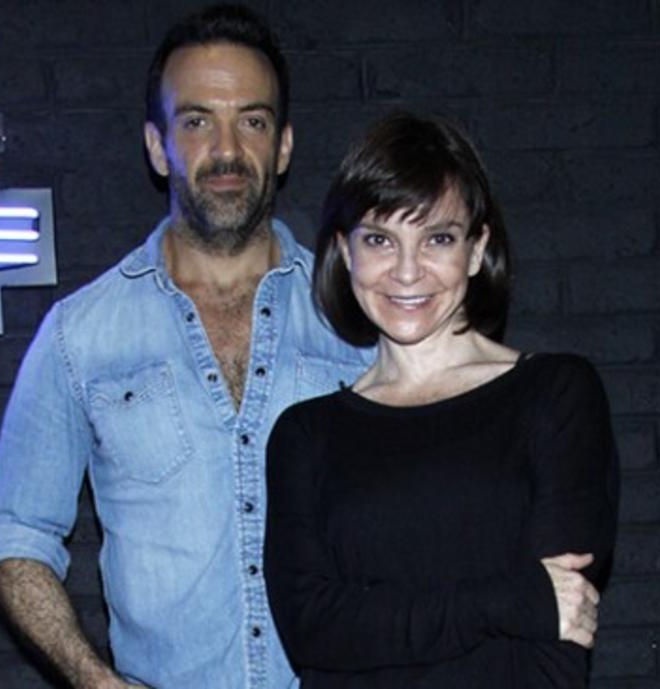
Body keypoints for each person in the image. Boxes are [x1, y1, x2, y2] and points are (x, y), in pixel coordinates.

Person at [0, 5, 371, 689]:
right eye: (196, 121)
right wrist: (94, 679)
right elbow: (13, 535)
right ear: (157, 147)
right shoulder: (81, 334)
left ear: (283, 147)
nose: (227, 149)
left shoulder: (356, 316)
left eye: (252, 121)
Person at [263, 111, 620, 688]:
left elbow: (558, 637)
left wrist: (378, 617)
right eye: (380, 239)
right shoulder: (305, 436)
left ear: (477, 250)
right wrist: (508, 600)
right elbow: (312, 628)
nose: (407, 272)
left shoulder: (554, 395)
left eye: (438, 238)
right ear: (345, 252)